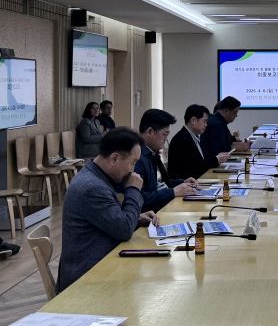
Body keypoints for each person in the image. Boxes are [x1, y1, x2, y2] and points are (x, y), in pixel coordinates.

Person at [57, 128, 159, 292]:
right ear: (114, 158)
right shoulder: (93, 188)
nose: (133, 170)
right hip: (85, 280)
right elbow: (124, 229)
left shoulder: (95, 175)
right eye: (132, 163)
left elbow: (112, 220)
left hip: (99, 267)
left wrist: (136, 217)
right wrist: (133, 189)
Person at [135, 109, 199, 212]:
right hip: (152, 214)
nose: (166, 139)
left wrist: (182, 183)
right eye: (165, 134)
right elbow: (140, 198)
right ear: (150, 132)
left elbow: (163, 183)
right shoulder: (137, 157)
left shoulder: (152, 153)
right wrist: (173, 192)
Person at [168, 104, 231, 180]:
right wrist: (217, 159)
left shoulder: (192, 136)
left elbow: (201, 161)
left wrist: (217, 157)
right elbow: (196, 167)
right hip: (187, 183)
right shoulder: (182, 139)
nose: (206, 125)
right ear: (193, 120)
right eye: (204, 121)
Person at [201, 96, 251, 160]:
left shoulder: (218, 121)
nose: (236, 115)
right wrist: (236, 148)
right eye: (235, 112)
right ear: (226, 110)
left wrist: (240, 144)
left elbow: (228, 140)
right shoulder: (216, 124)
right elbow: (220, 150)